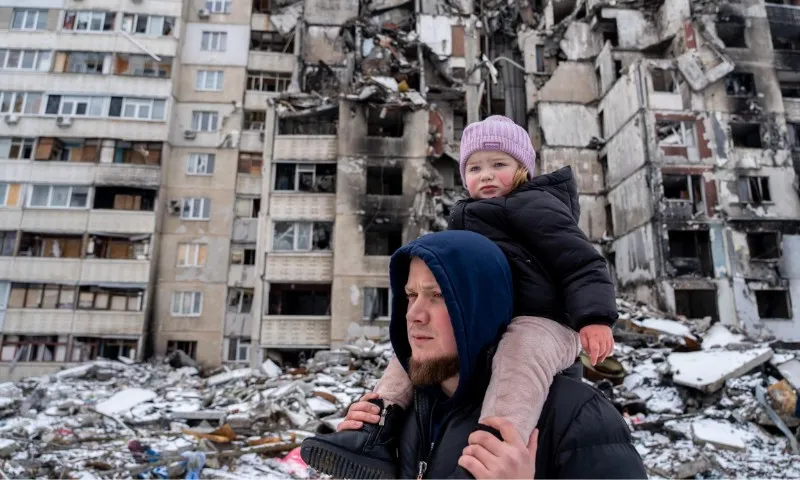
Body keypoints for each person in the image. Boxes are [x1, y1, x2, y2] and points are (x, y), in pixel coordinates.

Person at [300, 115, 620, 473]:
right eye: (474, 167)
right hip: (492, 320)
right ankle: (376, 430)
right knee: (412, 351)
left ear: (523, 170)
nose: (485, 175)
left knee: (519, 350)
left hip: (545, 323)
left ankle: (492, 445)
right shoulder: (466, 215)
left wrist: (593, 317)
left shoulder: (536, 206)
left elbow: (581, 264)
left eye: (499, 164)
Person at [300, 230, 646, 478]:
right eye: (410, 295)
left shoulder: (577, 416)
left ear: (480, 309)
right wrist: (373, 454)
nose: (414, 314)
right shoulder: (409, 413)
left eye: (437, 296)